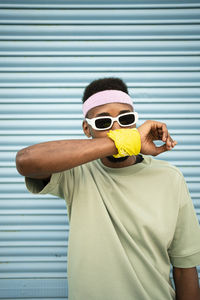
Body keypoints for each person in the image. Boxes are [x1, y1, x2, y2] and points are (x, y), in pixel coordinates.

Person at [16, 77, 200, 300]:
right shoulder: (76, 172)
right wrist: (123, 141)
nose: (117, 128)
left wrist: (120, 140)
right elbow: (26, 161)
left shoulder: (170, 178)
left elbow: (184, 268)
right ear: (86, 129)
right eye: (103, 123)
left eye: (126, 119)